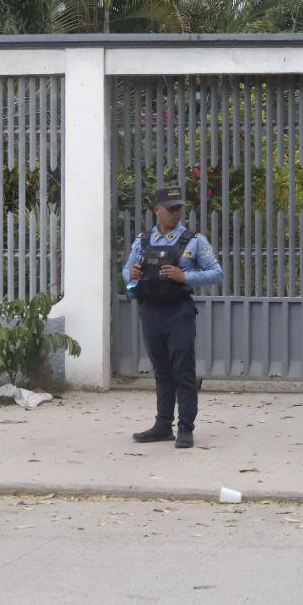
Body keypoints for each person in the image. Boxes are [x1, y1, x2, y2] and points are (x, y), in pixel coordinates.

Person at [122, 185, 223, 449]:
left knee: (183, 370)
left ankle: (186, 428)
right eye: (171, 209)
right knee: (161, 370)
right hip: (150, 311)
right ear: (157, 210)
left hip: (179, 311)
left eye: (179, 209)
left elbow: (216, 273)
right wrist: (130, 275)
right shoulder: (143, 241)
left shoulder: (194, 241)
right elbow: (126, 271)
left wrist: (184, 276)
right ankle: (162, 425)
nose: (176, 214)